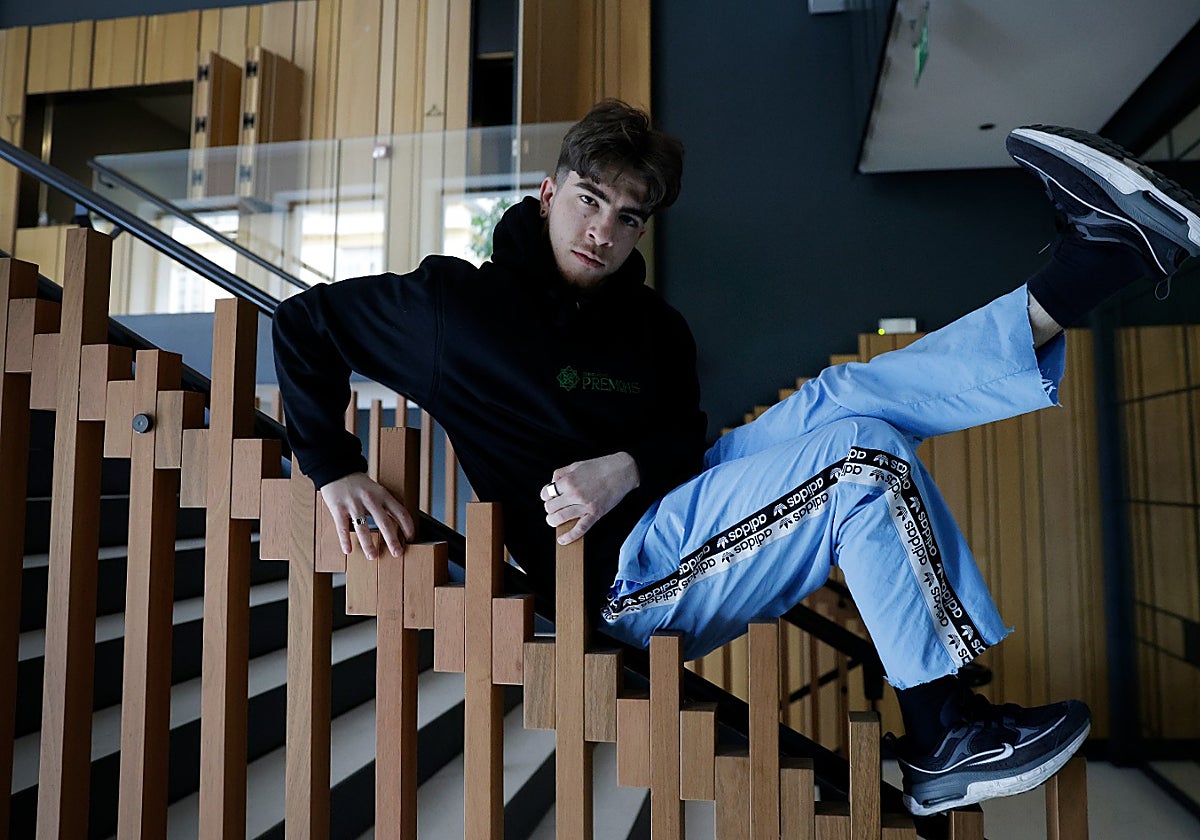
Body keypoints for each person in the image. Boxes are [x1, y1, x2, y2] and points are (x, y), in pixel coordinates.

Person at [273, 104, 1200, 815]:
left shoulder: (655, 329)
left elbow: (683, 433)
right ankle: (941, 737)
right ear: (549, 193)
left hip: (680, 502)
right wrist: (334, 465)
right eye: (590, 201)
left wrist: (627, 464)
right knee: (859, 458)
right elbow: (304, 324)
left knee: (846, 398)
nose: (605, 230)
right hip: (610, 577)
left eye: (629, 217)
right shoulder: (452, 310)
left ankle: (1098, 260)